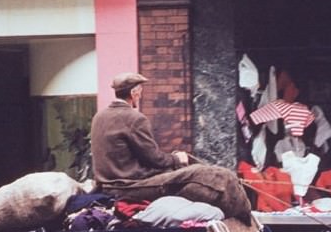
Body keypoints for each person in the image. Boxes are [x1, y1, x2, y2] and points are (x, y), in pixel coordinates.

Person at [90, 72, 252, 223]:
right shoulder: (134, 118)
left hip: (109, 185)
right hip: (130, 186)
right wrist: (176, 159)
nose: (141, 95)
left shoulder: (99, 117)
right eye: (140, 91)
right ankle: (245, 218)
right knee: (215, 174)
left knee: (190, 169)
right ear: (134, 93)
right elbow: (154, 159)